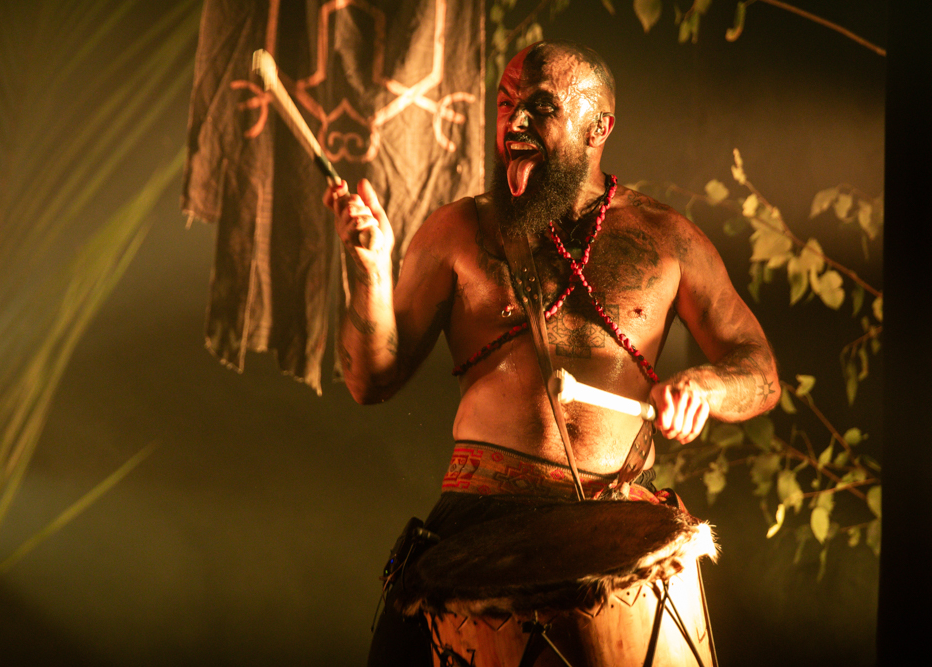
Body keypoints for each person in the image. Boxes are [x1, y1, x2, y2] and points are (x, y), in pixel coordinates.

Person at [323, 40, 778, 666]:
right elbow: (368, 381)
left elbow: (761, 372)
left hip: (617, 526)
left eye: (540, 107)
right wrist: (369, 272)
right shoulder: (457, 231)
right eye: (505, 103)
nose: (513, 122)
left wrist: (707, 387)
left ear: (599, 127)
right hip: (479, 523)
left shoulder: (668, 239)